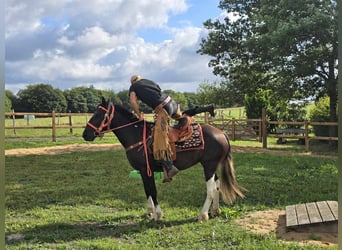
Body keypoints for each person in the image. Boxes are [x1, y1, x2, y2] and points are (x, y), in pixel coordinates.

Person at [129, 75, 180, 181]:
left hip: (163, 108)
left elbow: (133, 102)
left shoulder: (134, 86)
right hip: (171, 103)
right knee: (180, 119)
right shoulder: (149, 82)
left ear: (133, 81)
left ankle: (170, 167)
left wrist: (139, 114)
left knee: (159, 136)